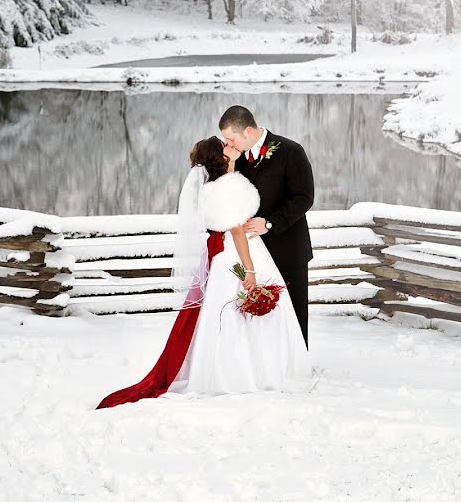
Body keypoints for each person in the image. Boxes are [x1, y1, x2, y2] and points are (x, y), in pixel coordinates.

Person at [96, 136, 314, 409]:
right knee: (242, 314)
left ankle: (233, 369)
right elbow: (236, 229)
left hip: (222, 255)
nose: (230, 144)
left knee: (225, 314)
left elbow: (228, 194)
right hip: (240, 251)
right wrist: (249, 269)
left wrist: (231, 164)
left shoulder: (213, 184)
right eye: (225, 145)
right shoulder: (221, 189)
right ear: (218, 157)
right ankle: (259, 372)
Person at [219, 105, 315, 350]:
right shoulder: (235, 158)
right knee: (259, 310)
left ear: (248, 131)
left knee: (292, 310)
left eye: (231, 138)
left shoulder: (291, 151)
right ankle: (269, 363)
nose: (227, 143)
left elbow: (304, 198)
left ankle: (297, 363)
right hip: (252, 252)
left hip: (287, 247)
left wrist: (270, 223)